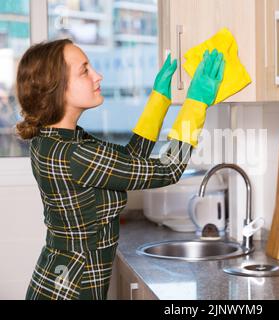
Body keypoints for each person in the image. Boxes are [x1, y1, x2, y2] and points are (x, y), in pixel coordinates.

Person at [15, 39, 225, 300]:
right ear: (57, 88)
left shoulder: (54, 140)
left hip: (59, 278)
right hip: (73, 287)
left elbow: (127, 161)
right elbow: (168, 170)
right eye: (85, 70)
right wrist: (196, 104)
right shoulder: (75, 154)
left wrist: (158, 101)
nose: (97, 76)